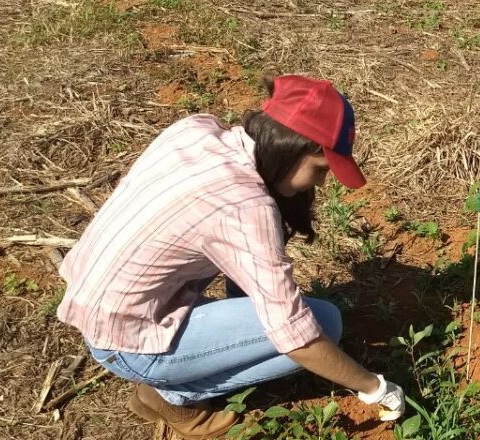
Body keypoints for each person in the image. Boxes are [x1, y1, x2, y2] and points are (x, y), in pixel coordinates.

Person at [57, 75, 405, 439]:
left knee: (293, 317)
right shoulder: (246, 208)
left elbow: (237, 254)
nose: (320, 183)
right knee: (325, 324)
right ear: (293, 148)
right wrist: (373, 387)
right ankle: (172, 395)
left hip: (101, 305)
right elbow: (295, 335)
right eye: (320, 169)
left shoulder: (197, 130)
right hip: (127, 343)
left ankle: (169, 377)